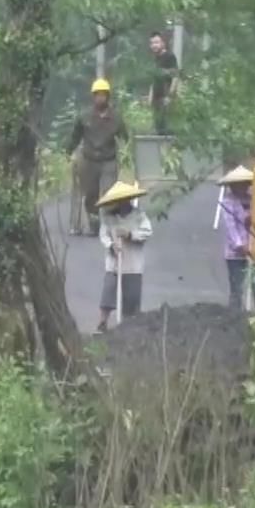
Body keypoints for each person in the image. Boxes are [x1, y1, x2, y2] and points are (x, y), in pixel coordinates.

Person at [67, 78, 128, 235]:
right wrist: (68, 151)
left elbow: (125, 137)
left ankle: (110, 225)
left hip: (108, 159)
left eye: (103, 95)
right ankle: (94, 225)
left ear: (108, 96)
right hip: (89, 160)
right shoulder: (84, 116)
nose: (100, 98)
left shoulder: (116, 117)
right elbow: (75, 136)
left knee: (109, 193)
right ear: (93, 97)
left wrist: (128, 152)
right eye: (97, 95)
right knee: (91, 194)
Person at [96, 181, 153, 333]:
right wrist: (111, 245)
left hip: (133, 264)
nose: (121, 204)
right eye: (118, 201)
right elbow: (103, 235)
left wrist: (130, 235)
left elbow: (147, 232)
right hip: (114, 263)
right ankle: (102, 324)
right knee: (107, 294)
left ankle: (129, 328)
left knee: (131, 299)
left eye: (124, 201)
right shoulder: (108, 218)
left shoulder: (139, 216)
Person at [216, 165, 255, 312]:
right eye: (238, 184)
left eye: (244, 183)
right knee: (238, 286)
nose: (242, 187)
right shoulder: (227, 202)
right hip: (235, 253)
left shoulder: (253, 200)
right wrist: (240, 245)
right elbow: (231, 228)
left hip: (254, 249)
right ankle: (235, 316)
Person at [148, 31, 180, 134]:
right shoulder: (155, 59)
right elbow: (154, 80)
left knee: (166, 129)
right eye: (152, 43)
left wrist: (170, 97)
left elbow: (175, 77)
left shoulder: (169, 56)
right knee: (158, 128)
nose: (154, 45)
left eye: (157, 42)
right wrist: (150, 97)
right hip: (156, 100)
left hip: (165, 99)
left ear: (163, 43)